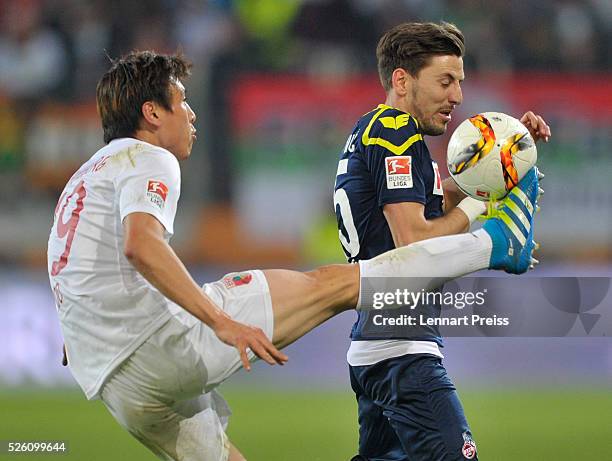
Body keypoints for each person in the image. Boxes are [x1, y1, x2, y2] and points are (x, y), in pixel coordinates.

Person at [48, 50, 540, 461]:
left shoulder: (86, 176)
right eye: (182, 101)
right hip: (161, 347)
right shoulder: (149, 156)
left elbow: (78, 267)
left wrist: (90, 334)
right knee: (340, 284)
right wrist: (221, 320)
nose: (192, 113)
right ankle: (497, 243)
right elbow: (142, 244)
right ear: (152, 113)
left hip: (118, 387)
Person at [333, 22, 551, 461]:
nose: (457, 96)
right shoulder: (396, 130)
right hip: (400, 349)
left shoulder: (377, 129)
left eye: (460, 82)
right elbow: (413, 241)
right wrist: (482, 209)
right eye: (445, 81)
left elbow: (437, 196)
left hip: (381, 340)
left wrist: (508, 152)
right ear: (402, 80)